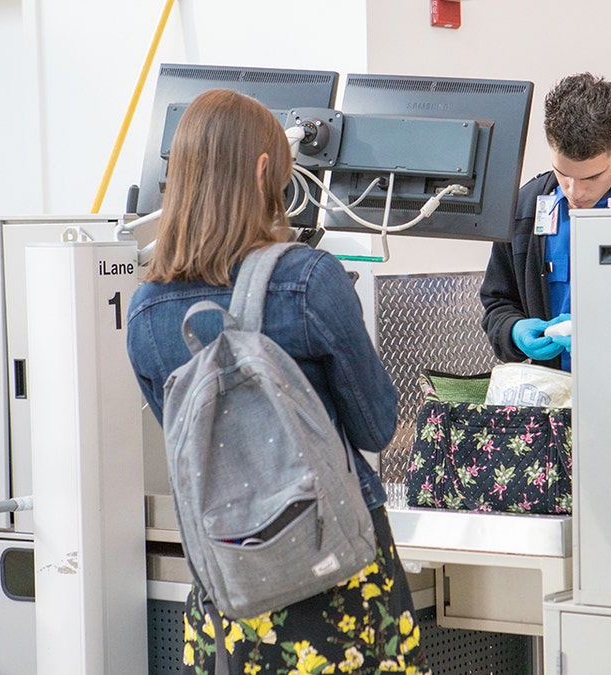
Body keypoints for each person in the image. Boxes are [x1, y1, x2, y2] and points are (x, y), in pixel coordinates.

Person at [126, 88, 430, 675]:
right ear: (266, 170)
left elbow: (187, 438)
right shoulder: (310, 280)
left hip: (230, 587)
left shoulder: (145, 314)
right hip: (335, 580)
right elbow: (376, 425)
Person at [480, 72, 611, 372]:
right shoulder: (525, 209)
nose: (575, 192)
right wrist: (513, 331)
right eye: (562, 173)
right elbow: (497, 303)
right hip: (554, 399)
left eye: (592, 177)